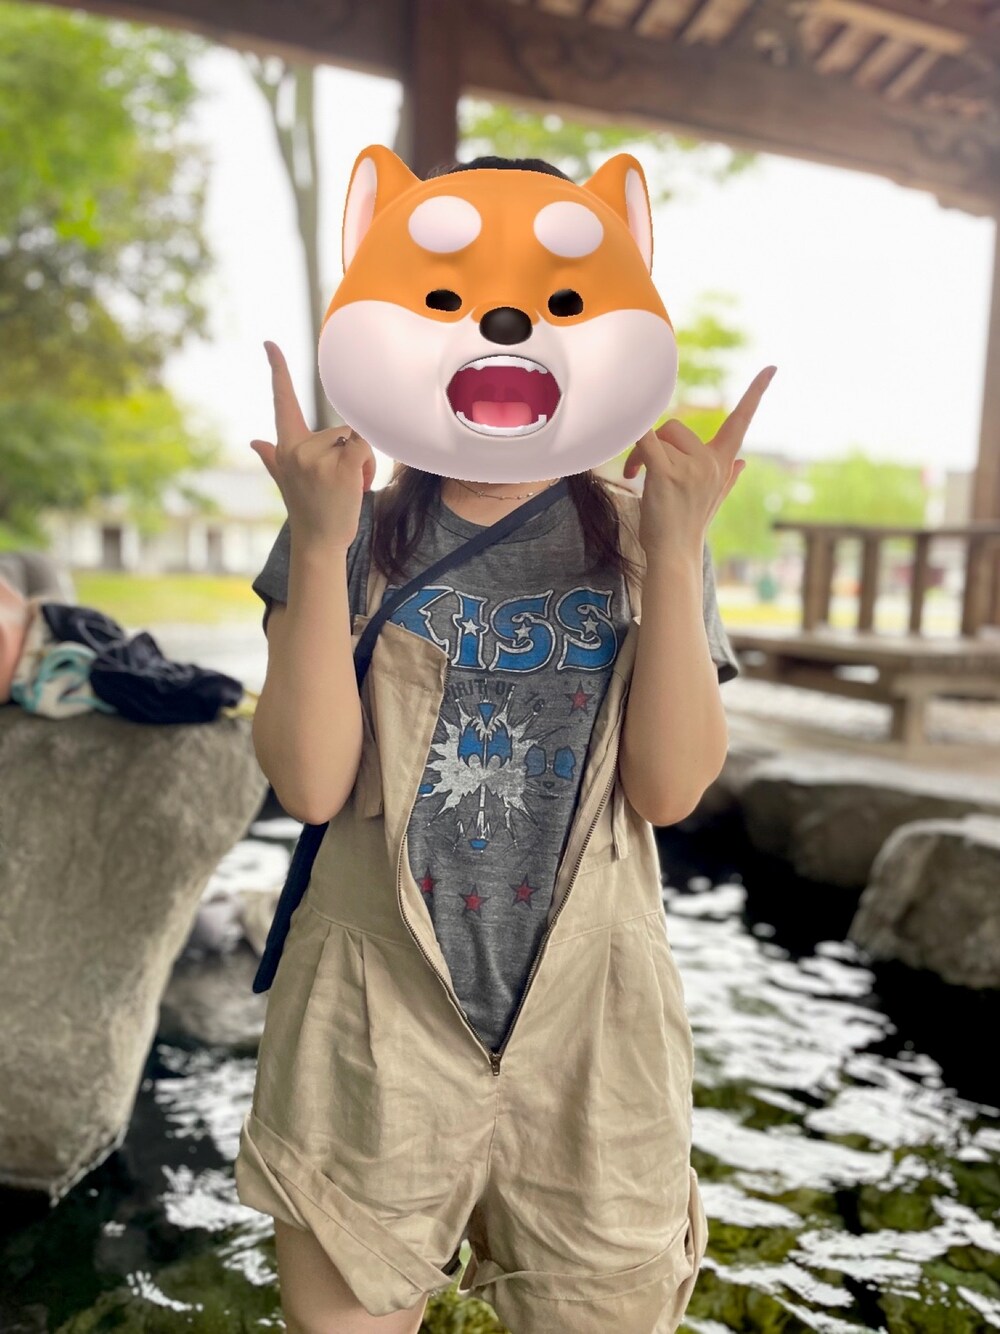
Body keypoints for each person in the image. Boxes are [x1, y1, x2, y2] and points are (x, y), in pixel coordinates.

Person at [236, 156, 774, 1334]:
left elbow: (669, 790)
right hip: (371, 1007)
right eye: (449, 295)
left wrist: (679, 552)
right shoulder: (347, 527)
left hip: (595, 1022)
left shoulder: (647, 535)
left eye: (557, 298)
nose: (504, 322)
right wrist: (318, 543)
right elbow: (310, 781)